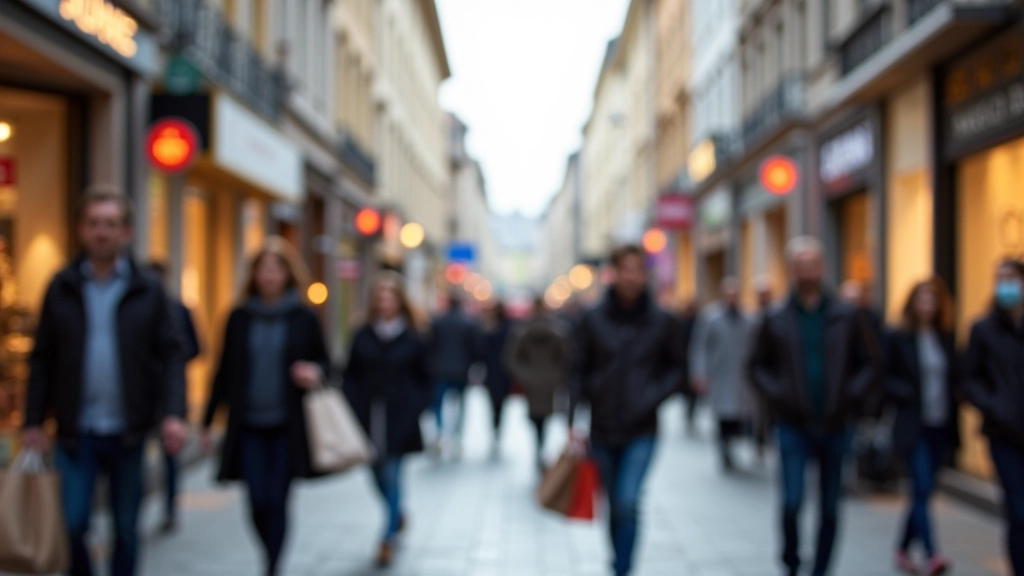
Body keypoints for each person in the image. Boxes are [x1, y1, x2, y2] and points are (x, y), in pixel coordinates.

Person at [22, 186, 188, 576]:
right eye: (94, 223)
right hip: (74, 430)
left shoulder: (148, 289)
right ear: (81, 229)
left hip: (129, 430)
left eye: (110, 224)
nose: (101, 232)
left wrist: (174, 413)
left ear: (126, 232)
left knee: (126, 528)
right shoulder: (61, 286)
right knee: (72, 521)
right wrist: (32, 419)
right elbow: (42, 357)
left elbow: (172, 353)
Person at [747, 236, 878, 576]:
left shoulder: (847, 315)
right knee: (792, 502)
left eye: (812, 265)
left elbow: (869, 363)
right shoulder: (775, 316)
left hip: (837, 424)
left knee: (831, 507)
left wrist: (851, 395)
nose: (807, 272)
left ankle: (821, 569)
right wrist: (779, 395)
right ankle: (791, 562)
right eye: (800, 265)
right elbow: (756, 366)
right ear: (791, 270)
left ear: (823, 268)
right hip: (793, 425)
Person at [200, 237, 329, 576]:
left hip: (289, 424)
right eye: (263, 268)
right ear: (254, 274)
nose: (269, 275)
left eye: (277, 268)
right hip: (248, 425)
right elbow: (223, 370)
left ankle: (273, 565)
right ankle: (268, 552)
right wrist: (207, 420)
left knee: (278, 498)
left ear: (288, 274)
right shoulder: (239, 317)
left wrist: (314, 371)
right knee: (257, 500)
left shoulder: (304, 317)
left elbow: (327, 363)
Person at [570, 244, 685, 576]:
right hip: (602, 427)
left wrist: (652, 395)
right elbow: (577, 369)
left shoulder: (662, 321)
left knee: (627, 501)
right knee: (613, 506)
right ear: (614, 273)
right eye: (625, 269)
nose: (631, 276)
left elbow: (678, 369)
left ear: (645, 274)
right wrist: (573, 417)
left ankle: (623, 569)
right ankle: (617, 561)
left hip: (642, 428)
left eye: (637, 269)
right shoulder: (593, 319)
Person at [344, 272, 432, 567]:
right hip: (367, 416)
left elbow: (425, 377)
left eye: (390, 297)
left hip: (400, 416)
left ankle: (387, 538)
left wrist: (418, 407)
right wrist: (351, 403)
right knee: (374, 474)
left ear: (399, 301)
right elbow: (351, 373)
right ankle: (398, 514)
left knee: (393, 474)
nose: (385, 302)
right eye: (380, 297)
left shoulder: (413, 336)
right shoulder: (362, 333)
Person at [885, 278, 958, 576]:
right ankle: (931, 554)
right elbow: (884, 378)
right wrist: (903, 393)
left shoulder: (945, 338)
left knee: (921, 492)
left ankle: (902, 548)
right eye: (922, 298)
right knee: (923, 486)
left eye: (933, 299)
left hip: (939, 424)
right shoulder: (898, 336)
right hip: (912, 425)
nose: (928, 304)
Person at [964, 258, 1024, 576]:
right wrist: (993, 405)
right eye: (1000, 279)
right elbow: (968, 378)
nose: (1007, 286)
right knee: (1018, 510)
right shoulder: (983, 329)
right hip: (1003, 434)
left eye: (1012, 278)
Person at [147, 261, 202, 534]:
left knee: (170, 454)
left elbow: (194, 347)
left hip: (169, 394)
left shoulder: (179, 310)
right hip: (143, 398)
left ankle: (170, 507)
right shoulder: (139, 310)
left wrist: (172, 365)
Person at [689, 277, 757, 471]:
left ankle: (733, 445)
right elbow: (699, 346)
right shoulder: (710, 318)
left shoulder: (749, 319)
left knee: (738, 414)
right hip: (719, 374)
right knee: (722, 414)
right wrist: (699, 373)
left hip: (741, 375)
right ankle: (724, 449)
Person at [505, 296, 571, 471]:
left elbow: (512, 357)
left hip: (533, 381)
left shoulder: (522, 330)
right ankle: (541, 444)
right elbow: (566, 357)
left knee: (536, 416)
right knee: (545, 416)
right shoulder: (558, 330)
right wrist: (557, 376)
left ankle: (539, 444)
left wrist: (524, 375)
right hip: (548, 381)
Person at [429, 292, 481, 456]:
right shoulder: (468, 323)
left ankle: (440, 433)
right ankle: (457, 436)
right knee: (460, 405)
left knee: (438, 404)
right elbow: (476, 349)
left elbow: (430, 347)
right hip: (460, 370)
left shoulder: (438, 322)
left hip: (440, 370)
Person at [481, 300, 514, 453]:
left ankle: (496, 428)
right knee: (497, 404)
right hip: (499, 372)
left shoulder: (493, 329)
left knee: (496, 404)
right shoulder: (507, 329)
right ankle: (496, 429)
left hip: (497, 372)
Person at [676, 300, 701, 435]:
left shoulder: (700, 323)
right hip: (685, 363)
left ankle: (690, 413)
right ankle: (688, 413)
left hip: (692, 362)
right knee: (688, 392)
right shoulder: (682, 323)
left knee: (693, 393)